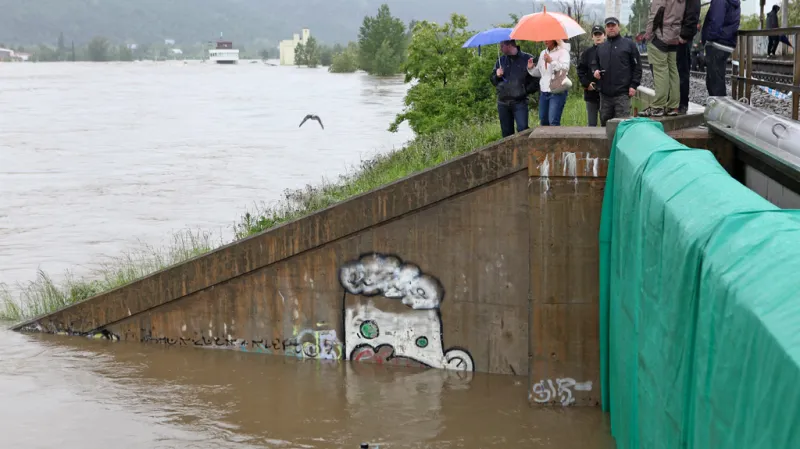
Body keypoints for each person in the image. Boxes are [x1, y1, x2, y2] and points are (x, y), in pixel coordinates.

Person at [639, 0, 688, 117]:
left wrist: (648, 35)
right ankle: (673, 106)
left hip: (660, 36)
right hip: (674, 36)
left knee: (660, 71)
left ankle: (658, 106)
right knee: (673, 71)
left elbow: (654, 15)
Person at [591, 17, 642, 126]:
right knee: (605, 126)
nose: (611, 28)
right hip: (605, 96)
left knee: (622, 125)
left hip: (622, 94)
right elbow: (594, 63)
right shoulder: (601, 47)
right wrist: (595, 70)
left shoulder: (629, 44)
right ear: (605, 29)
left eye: (613, 26)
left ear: (618, 27)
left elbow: (637, 67)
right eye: (608, 26)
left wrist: (633, 85)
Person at [491, 40, 536, 138]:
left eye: (502, 46)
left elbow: (536, 79)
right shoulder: (501, 61)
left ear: (509, 45)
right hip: (503, 102)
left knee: (523, 130)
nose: (500, 48)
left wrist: (525, 91)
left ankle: (524, 148)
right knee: (506, 134)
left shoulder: (527, 59)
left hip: (519, 102)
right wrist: (497, 76)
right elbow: (493, 81)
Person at [700, 0, 740, 97]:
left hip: (717, 43)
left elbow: (716, 21)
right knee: (717, 79)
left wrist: (709, 38)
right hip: (726, 42)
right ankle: (718, 103)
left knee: (714, 83)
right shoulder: (732, 2)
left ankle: (719, 104)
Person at [527, 39, 571, 126]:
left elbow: (564, 69)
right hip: (544, 91)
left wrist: (551, 61)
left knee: (553, 121)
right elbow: (540, 73)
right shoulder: (543, 53)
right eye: (544, 39)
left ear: (554, 39)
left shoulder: (563, 52)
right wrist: (531, 68)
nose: (545, 41)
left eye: (548, 39)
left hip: (557, 90)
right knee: (543, 121)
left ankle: (556, 136)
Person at [578, 25, 606, 126]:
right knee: (591, 124)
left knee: (606, 125)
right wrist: (586, 84)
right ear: (592, 37)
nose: (598, 36)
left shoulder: (610, 51)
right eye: (595, 34)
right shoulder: (587, 53)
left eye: (600, 34)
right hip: (591, 94)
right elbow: (580, 71)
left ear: (604, 35)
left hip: (606, 94)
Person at [677, 0, 701, 114]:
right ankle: (677, 102)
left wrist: (684, 35)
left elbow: (692, 14)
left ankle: (682, 103)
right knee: (677, 71)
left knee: (681, 71)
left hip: (682, 38)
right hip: (675, 36)